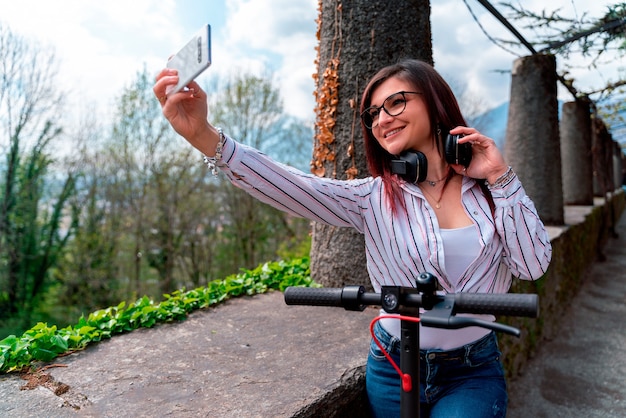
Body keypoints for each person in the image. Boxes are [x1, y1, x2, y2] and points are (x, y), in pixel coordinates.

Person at [153, 58, 552, 418]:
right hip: (394, 365)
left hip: (471, 369)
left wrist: (501, 178)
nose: (382, 119)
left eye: (396, 102)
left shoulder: (491, 193)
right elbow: (294, 187)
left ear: (434, 102)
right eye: (373, 113)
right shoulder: (371, 198)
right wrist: (204, 136)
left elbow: (532, 265)